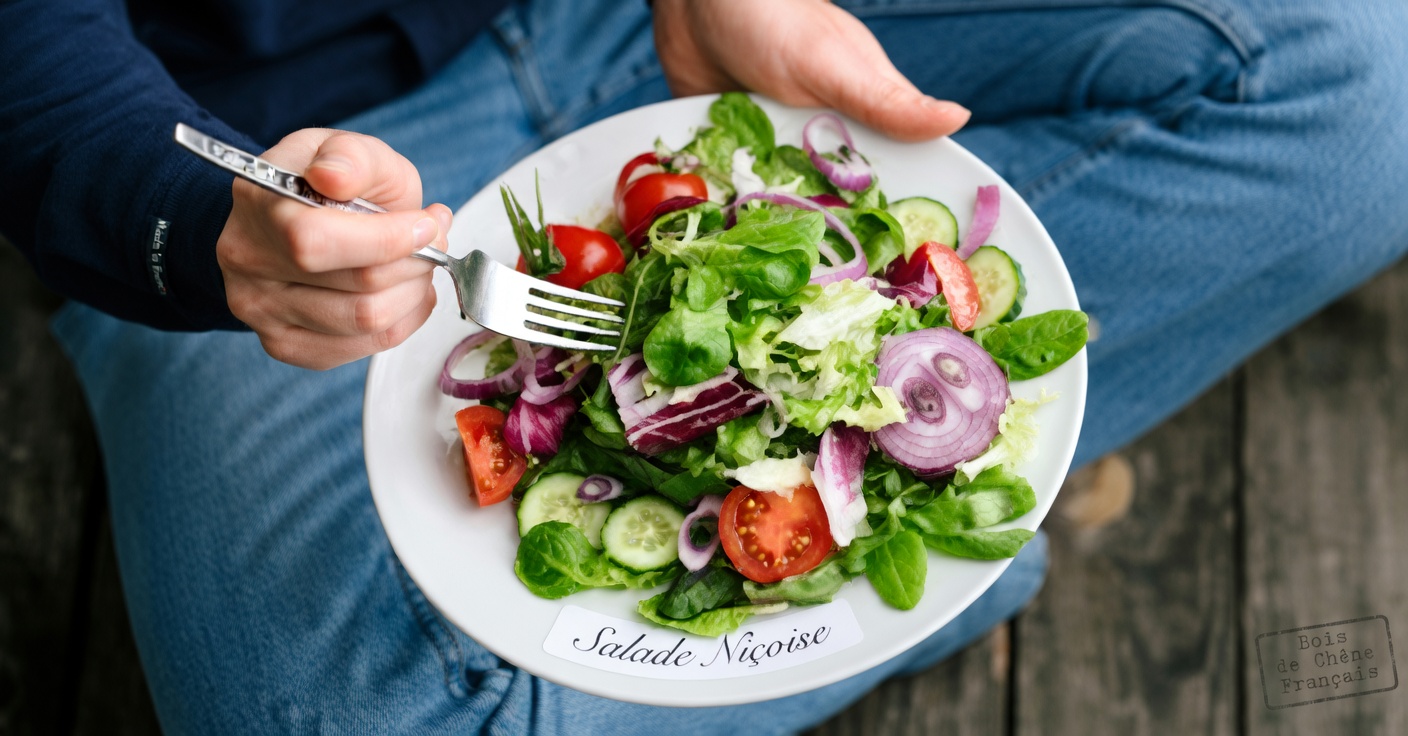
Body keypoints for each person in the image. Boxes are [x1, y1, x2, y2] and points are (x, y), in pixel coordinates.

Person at [3, 0, 1406, 732]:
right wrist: (198, 223)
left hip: (644, 13)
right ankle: (949, 546)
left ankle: (923, 499)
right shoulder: (227, 197)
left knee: (1365, 85)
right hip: (269, 162)